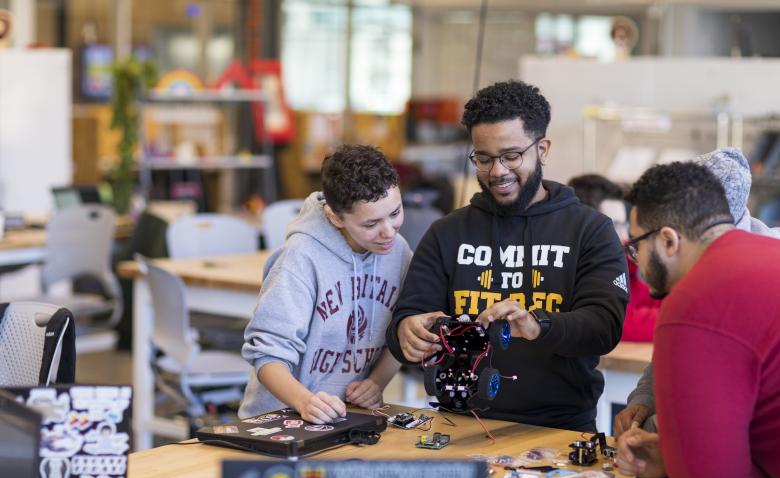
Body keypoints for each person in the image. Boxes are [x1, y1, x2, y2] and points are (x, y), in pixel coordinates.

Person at [386, 80, 628, 431]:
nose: (497, 171)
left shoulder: (590, 230)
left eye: (511, 156)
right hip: (459, 426)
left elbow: (603, 327)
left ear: (542, 150)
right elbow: (405, 319)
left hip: (560, 428)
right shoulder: (448, 232)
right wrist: (406, 331)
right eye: (483, 159)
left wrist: (536, 325)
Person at [615, 161, 780, 478]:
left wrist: (677, 465)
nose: (637, 261)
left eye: (637, 247)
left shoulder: (694, 302)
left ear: (668, 240)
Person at [239, 145, 412, 424]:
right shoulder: (300, 257)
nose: (388, 232)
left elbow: (404, 331)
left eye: (395, 213)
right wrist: (304, 401)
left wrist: (377, 382)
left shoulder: (398, 251)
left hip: (345, 418)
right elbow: (267, 355)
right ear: (335, 217)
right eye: (371, 224)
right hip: (277, 421)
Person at [568, 174, 660, 342]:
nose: (624, 236)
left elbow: (653, 301)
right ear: (583, 227)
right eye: (613, 226)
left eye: (624, 225)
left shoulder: (623, 267)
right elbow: (617, 322)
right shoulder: (570, 273)